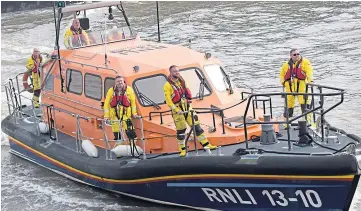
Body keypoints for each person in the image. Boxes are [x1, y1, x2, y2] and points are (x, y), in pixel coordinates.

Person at [164, 65, 217, 157]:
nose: (177, 73)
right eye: (175, 71)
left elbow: (187, 93)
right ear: (171, 73)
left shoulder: (182, 81)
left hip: (188, 108)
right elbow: (169, 102)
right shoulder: (167, 86)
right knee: (181, 131)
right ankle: (183, 149)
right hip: (178, 111)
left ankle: (206, 145)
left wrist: (189, 104)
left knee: (197, 127)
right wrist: (177, 110)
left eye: (177, 71)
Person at [280, 49, 314, 123]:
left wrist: (310, 81)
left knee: (304, 104)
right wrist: (283, 82)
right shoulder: (286, 65)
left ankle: (307, 123)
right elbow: (282, 75)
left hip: (301, 87)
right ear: (291, 56)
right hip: (290, 88)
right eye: (295, 54)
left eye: (298, 54)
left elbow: (309, 72)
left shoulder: (305, 62)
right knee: (288, 106)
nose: (297, 56)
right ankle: (287, 123)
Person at [104, 75, 138, 141]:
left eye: (121, 81)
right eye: (118, 81)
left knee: (130, 132)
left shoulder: (129, 90)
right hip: (114, 116)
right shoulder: (111, 91)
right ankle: (119, 146)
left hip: (126, 115)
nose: (120, 82)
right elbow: (106, 104)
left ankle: (132, 147)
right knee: (117, 134)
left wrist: (134, 113)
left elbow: (133, 103)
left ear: (123, 81)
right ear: (115, 82)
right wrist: (106, 116)